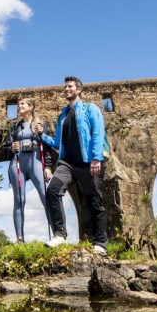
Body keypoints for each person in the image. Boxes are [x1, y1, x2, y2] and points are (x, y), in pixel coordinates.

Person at [36, 76, 109, 254]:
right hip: (67, 163)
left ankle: (100, 243)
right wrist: (41, 136)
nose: (67, 89)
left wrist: (96, 158)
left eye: (70, 86)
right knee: (53, 190)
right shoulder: (63, 115)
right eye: (65, 87)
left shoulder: (90, 109)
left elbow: (98, 132)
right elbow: (58, 143)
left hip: (88, 162)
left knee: (95, 200)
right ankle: (60, 235)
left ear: (79, 89)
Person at [5, 98, 53, 243]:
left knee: (47, 197)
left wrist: (48, 167)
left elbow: (48, 147)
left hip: (36, 161)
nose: (19, 107)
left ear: (31, 107)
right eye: (18, 105)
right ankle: (20, 239)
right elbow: (6, 148)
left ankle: (58, 234)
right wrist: (11, 148)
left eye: (22, 104)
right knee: (19, 200)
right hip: (17, 163)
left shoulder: (41, 124)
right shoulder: (14, 128)